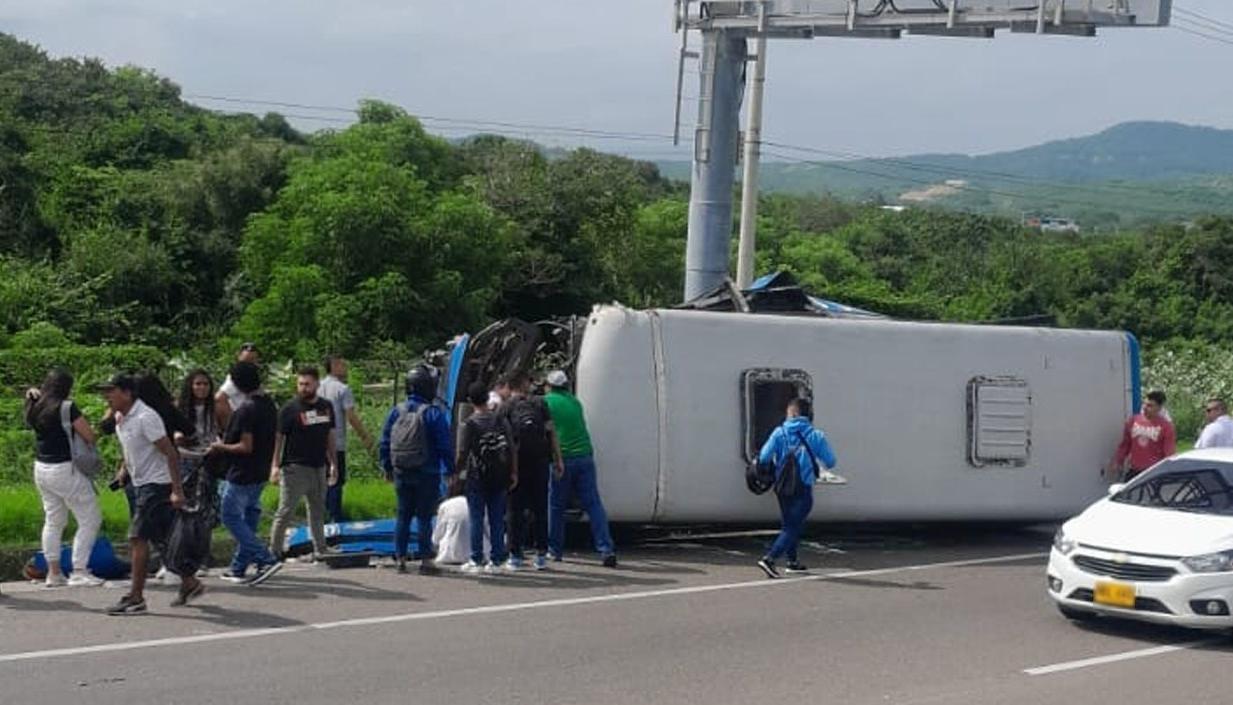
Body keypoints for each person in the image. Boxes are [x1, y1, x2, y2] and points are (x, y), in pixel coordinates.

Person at [101, 374, 204, 614]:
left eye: (111, 391)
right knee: (162, 539)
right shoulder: (121, 417)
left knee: (137, 537)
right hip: (140, 483)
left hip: (156, 485)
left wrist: (177, 491)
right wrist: (124, 469)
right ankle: (190, 582)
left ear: (127, 393)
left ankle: (136, 597)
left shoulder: (146, 417)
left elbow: (170, 453)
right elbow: (130, 447)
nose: (107, 396)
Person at [24, 369, 104, 588]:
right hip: (65, 468)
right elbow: (89, 435)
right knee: (90, 518)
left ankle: (54, 573)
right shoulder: (67, 407)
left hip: (41, 468)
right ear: (67, 387)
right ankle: (79, 570)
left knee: (54, 520)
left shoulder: (35, 405)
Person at [207, 362, 283, 585]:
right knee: (249, 516)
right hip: (260, 469)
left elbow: (245, 446)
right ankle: (239, 567)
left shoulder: (246, 409)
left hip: (242, 472)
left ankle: (265, 557)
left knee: (229, 515)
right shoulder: (269, 405)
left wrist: (219, 447)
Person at [379, 364, 453, 574]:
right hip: (427, 472)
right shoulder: (433, 414)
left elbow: (384, 442)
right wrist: (450, 469)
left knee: (403, 515)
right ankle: (425, 560)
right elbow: (444, 444)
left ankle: (400, 558)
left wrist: (387, 467)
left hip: (402, 470)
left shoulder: (396, 411)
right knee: (424, 517)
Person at [755, 397, 838, 579]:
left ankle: (792, 562)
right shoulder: (816, 436)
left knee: (789, 524)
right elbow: (831, 461)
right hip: (803, 487)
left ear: (793, 413)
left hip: (782, 486)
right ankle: (770, 559)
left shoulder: (779, 433)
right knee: (793, 526)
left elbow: (764, 457)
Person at [543, 370, 617, 568]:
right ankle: (606, 549)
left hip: (562, 459)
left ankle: (555, 550)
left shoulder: (546, 402)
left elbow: (548, 432)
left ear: (548, 385)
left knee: (556, 506)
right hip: (585, 456)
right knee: (593, 504)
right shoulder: (575, 402)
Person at [269, 367, 338, 561]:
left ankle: (320, 549)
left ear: (317, 384)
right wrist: (274, 465)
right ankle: (273, 551)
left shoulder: (326, 406)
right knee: (285, 511)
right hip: (294, 468)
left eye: (307, 384)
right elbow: (278, 438)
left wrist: (334, 464)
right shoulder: (290, 409)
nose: (303, 388)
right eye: (300, 384)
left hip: (319, 466)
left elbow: (329, 437)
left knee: (317, 510)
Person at [499, 371, 563, 571]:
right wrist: (558, 459)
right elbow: (551, 432)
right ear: (525, 383)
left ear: (510, 386)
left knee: (514, 510)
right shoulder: (540, 404)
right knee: (540, 508)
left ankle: (515, 556)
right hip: (540, 462)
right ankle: (541, 555)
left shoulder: (506, 407)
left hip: (516, 465)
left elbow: (502, 439)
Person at [456, 382, 517, 574]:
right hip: (500, 475)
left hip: (477, 477)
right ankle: (497, 560)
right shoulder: (500, 420)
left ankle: (476, 559)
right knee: (497, 518)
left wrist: (455, 473)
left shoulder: (470, 423)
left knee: (477, 518)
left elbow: (463, 452)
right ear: (487, 398)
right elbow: (512, 447)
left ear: (470, 400)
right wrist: (514, 472)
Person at [173, 370, 224, 563]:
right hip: (187, 460)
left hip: (208, 458)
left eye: (205, 384)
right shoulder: (182, 408)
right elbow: (175, 436)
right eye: (197, 384)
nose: (201, 388)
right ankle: (185, 551)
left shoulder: (215, 408)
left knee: (207, 507)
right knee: (187, 508)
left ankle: (204, 552)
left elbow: (219, 431)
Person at [319, 355, 376, 524]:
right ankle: (335, 519)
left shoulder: (317, 387)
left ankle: (320, 518)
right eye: (343, 364)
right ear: (334, 366)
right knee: (336, 481)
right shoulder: (342, 389)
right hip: (336, 443)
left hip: (317, 443)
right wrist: (365, 436)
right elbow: (350, 416)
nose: (346, 367)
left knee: (321, 481)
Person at [1107, 390, 1176, 482]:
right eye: (1144, 404)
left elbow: (1168, 453)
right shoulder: (1133, 421)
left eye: (1150, 406)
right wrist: (1118, 461)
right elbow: (1125, 445)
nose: (1145, 407)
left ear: (1159, 408)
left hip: (1153, 473)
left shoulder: (1166, 427)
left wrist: (1168, 471)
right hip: (1134, 470)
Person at [215, 342, 260, 431]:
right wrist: (232, 424)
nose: (249, 363)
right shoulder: (235, 378)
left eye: (252, 359)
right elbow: (219, 398)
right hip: (241, 425)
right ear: (239, 358)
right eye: (246, 360)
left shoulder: (253, 376)